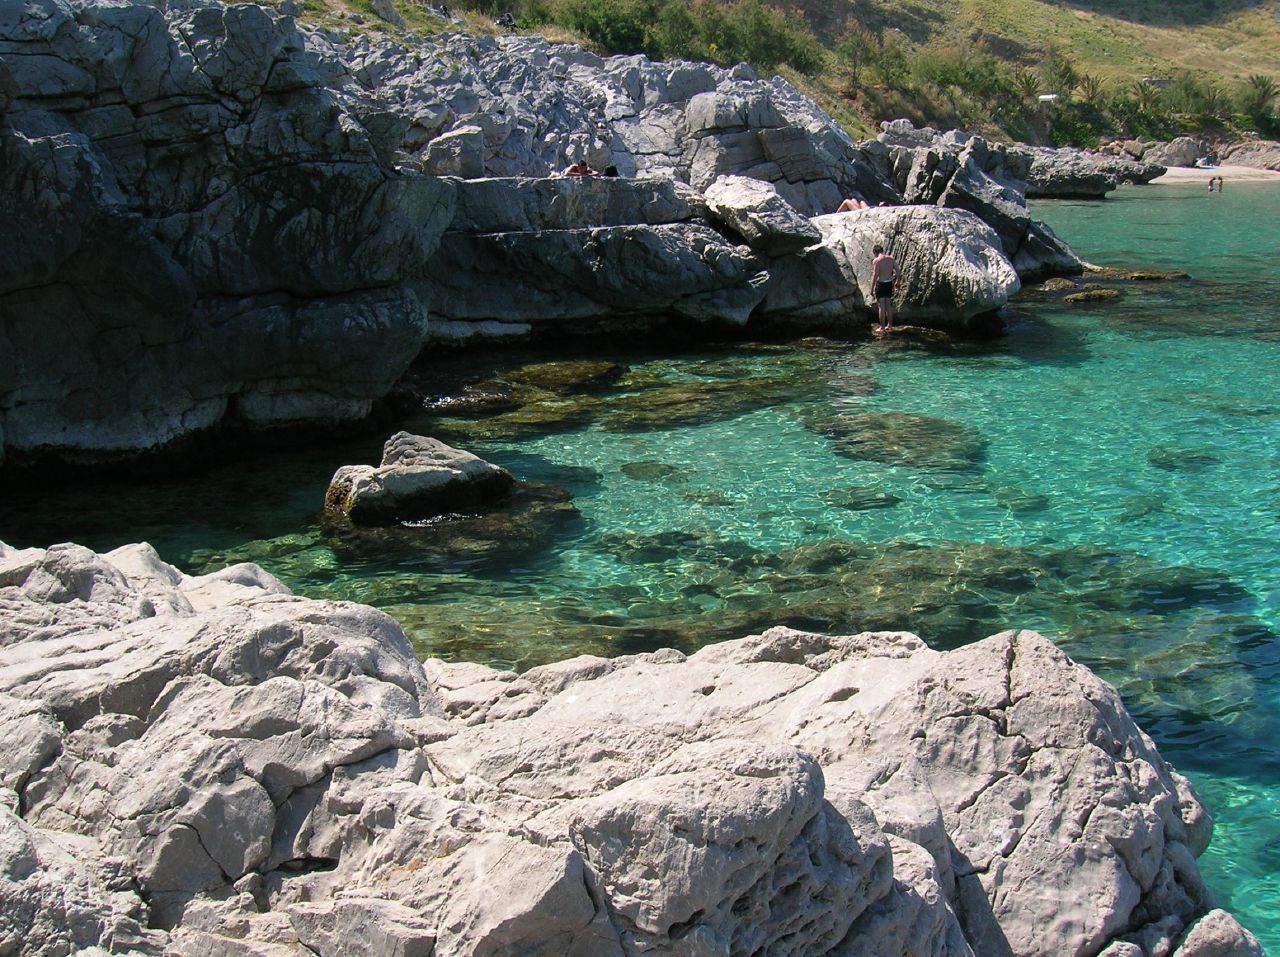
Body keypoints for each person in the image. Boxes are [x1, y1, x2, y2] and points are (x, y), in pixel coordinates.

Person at [871, 243, 896, 332]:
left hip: (881, 284)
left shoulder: (877, 260)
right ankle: (890, 325)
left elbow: (875, 275)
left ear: (875, 252)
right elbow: (898, 270)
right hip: (889, 283)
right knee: (888, 306)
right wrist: (898, 282)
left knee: (881, 307)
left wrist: (872, 288)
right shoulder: (891, 259)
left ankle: (882, 327)